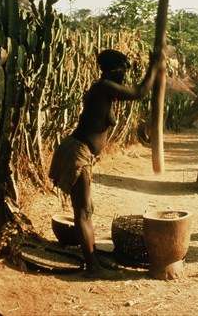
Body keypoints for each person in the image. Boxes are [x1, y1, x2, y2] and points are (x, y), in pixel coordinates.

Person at [49, 48, 163, 278]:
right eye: (123, 70)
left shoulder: (106, 91)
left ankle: (94, 261)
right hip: (77, 152)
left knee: (86, 210)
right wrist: (154, 65)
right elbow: (140, 92)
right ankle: (93, 268)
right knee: (82, 212)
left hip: (83, 153)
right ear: (112, 70)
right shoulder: (103, 87)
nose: (125, 75)